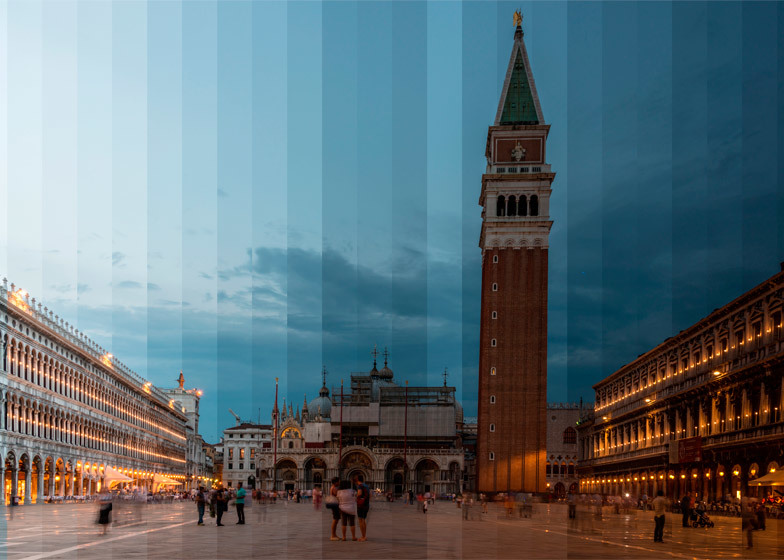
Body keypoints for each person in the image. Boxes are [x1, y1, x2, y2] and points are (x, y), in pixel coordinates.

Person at [353, 473, 370, 542]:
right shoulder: (366, 486)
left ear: (357, 479)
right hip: (366, 504)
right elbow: (370, 495)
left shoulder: (360, 486)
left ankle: (363, 536)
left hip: (361, 505)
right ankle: (364, 535)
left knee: (360, 520)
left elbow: (359, 494)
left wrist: (355, 495)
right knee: (363, 520)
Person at [326, 477, 341, 541]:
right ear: (335, 482)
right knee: (335, 520)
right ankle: (332, 535)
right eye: (338, 481)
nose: (339, 482)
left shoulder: (333, 487)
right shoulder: (334, 488)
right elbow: (337, 496)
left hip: (335, 505)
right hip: (335, 505)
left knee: (336, 520)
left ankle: (334, 534)